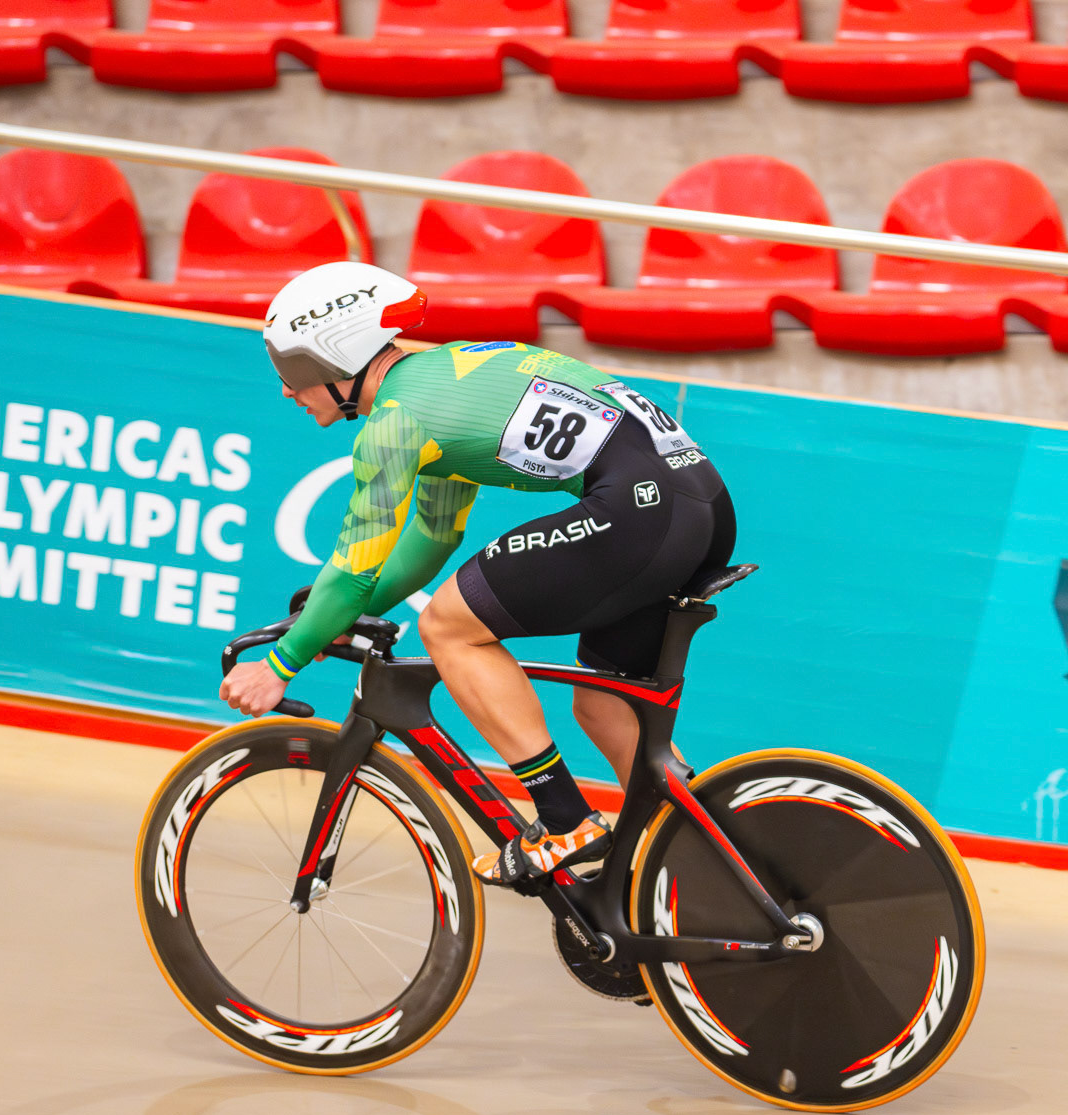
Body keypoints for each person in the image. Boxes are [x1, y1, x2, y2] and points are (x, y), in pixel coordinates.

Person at [220, 261, 736, 886]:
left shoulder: (394, 424)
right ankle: (708, 872)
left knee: (448, 627)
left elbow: (354, 568)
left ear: (337, 356)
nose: (285, 390)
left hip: (641, 512)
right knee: (603, 708)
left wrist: (282, 662)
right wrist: (340, 615)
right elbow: (431, 540)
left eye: (293, 370)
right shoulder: (443, 377)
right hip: (699, 505)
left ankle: (563, 819)